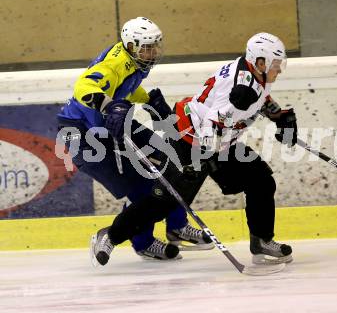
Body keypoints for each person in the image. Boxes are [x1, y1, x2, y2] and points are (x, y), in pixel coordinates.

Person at [96, 32, 296, 265]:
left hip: (216, 142)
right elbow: (213, 122)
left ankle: (261, 241)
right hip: (189, 140)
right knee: (165, 203)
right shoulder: (240, 92)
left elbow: (258, 97)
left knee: (260, 180)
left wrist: (277, 114)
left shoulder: (253, 74)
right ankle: (109, 235)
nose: (279, 69)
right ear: (261, 62)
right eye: (276, 64)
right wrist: (196, 161)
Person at [56, 17, 213, 264]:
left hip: (112, 124)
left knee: (171, 162)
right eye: (147, 47)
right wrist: (110, 107)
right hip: (83, 134)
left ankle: (177, 226)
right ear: (130, 45)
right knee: (141, 188)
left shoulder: (134, 63)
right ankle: (143, 243)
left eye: (155, 46)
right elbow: (83, 88)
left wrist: (147, 99)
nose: (152, 52)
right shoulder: (115, 63)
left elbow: (124, 88)